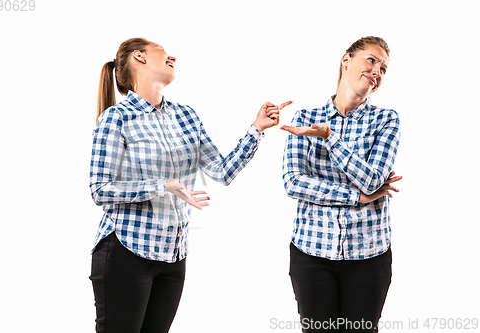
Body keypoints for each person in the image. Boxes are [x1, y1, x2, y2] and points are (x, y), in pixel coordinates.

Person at [88, 37, 292, 333]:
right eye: (163, 52)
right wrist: (162, 185)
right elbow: (100, 190)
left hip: (173, 256)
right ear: (139, 57)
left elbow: (221, 171)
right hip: (125, 252)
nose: (173, 57)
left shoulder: (186, 116)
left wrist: (257, 129)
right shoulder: (116, 118)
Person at [280, 36, 401, 332]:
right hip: (312, 253)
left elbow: (372, 181)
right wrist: (355, 197)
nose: (377, 71)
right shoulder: (305, 117)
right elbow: (293, 182)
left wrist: (329, 138)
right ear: (346, 59)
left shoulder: (386, 120)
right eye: (371, 60)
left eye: (383, 68)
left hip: (368, 256)